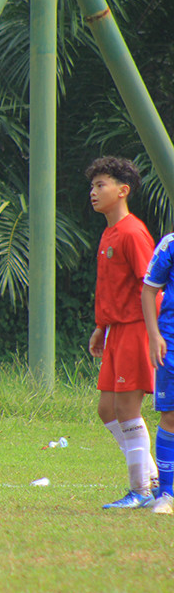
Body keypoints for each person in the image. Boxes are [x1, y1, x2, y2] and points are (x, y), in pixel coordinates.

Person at [86, 156, 159, 509]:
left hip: (136, 329)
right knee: (107, 409)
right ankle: (152, 477)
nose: (94, 192)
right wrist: (101, 327)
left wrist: (155, 334)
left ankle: (141, 490)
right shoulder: (109, 232)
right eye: (93, 185)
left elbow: (153, 285)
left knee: (128, 409)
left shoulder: (132, 232)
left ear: (122, 190)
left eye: (101, 185)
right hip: (116, 330)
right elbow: (112, 287)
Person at [141, 230, 174, 513]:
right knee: (171, 415)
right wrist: (154, 335)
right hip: (171, 341)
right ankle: (166, 494)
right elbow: (150, 288)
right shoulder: (170, 244)